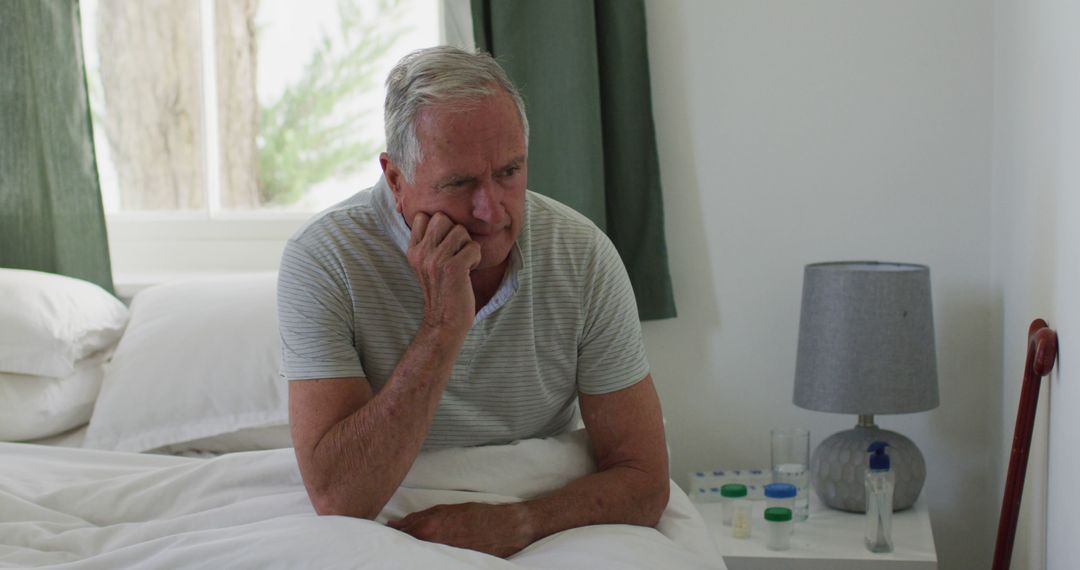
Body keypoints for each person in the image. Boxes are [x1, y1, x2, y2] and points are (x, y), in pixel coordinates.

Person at [277, 46, 669, 558]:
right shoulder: (324, 260)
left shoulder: (583, 255)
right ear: (396, 180)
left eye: (509, 172)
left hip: (539, 509)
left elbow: (644, 478)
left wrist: (521, 521)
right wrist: (443, 327)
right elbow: (338, 496)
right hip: (387, 515)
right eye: (459, 183)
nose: (491, 210)